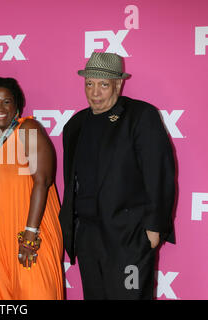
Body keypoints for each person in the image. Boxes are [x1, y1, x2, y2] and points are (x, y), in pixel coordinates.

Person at [60, 52, 176, 299]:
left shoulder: (140, 116)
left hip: (129, 237)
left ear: (119, 84)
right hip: (88, 237)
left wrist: (154, 227)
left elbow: (159, 173)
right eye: (89, 83)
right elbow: (72, 181)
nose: (95, 92)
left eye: (103, 84)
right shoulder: (74, 125)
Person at [0, 77, 64, 300]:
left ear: (17, 104)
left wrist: (30, 235)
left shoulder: (28, 128)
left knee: (37, 291)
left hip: (29, 231)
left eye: (6, 102)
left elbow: (42, 181)